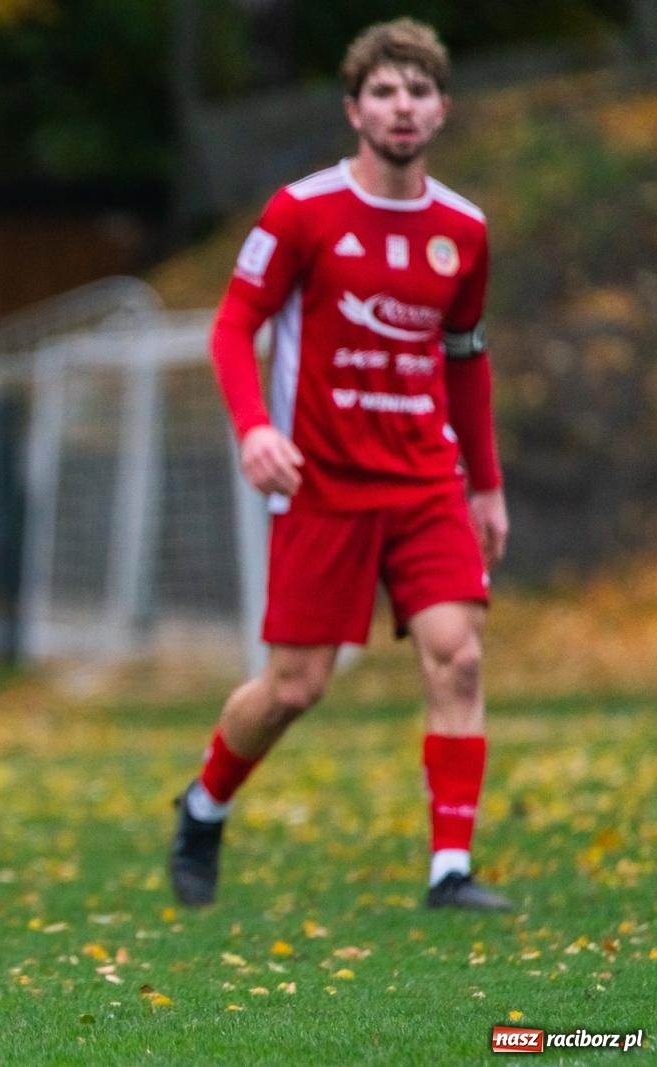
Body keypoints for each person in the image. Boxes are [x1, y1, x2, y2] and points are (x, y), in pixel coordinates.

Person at [168, 18, 512, 912]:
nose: (403, 106)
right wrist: (253, 430)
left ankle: (450, 868)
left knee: (458, 656)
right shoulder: (301, 211)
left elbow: (466, 359)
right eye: (386, 91)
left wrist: (487, 483)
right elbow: (233, 326)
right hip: (321, 484)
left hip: (428, 482)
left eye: (419, 90)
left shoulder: (464, 231)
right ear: (355, 107)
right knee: (295, 686)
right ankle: (205, 805)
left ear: (442, 107)